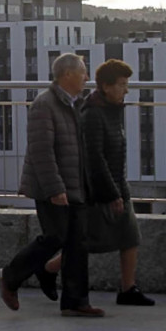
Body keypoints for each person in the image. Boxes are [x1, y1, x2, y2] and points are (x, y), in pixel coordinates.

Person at [0, 53, 104, 317]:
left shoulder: (76, 104)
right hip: (52, 186)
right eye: (83, 72)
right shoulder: (44, 105)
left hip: (76, 185)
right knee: (55, 237)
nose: (87, 78)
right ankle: (12, 276)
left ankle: (76, 302)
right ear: (67, 75)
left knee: (77, 243)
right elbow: (41, 152)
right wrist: (55, 189)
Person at [42, 59, 154, 306]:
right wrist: (112, 194)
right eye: (122, 84)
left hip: (116, 186)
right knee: (89, 241)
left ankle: (128, 289)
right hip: (99, 191)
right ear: (105, 86)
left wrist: (121, 190)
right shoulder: (93, 114)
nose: (126, 90)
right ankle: (48, 269)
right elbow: (95, 159)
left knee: (129, 236)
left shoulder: (112, 110)